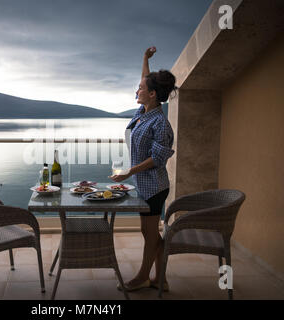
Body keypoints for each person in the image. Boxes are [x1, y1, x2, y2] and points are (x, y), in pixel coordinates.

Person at [110, 46, 176, 292]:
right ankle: (161, 278)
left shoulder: (160, 124)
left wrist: (129, 172)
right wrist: (145, 59)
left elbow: (158, 159)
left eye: (140, 89)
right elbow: (145, 82)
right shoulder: (144, 112)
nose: (136, 90)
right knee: (149, 233)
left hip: (155, 187)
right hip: (144, 185)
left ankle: (142, 277)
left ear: (151, 94)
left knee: (149, 235)